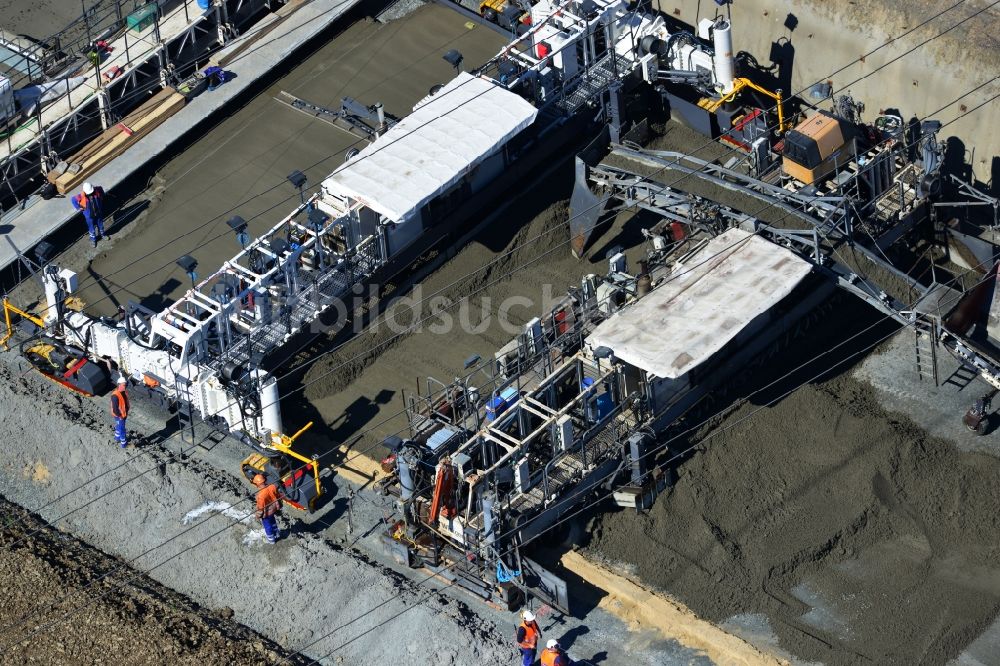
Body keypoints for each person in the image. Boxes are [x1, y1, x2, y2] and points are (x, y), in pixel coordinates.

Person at [71, 182, 106, 247]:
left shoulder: (97, 190)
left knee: (101, 225)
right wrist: (78, 208)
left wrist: (102, 197)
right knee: (91, 228)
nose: (90, 194)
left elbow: (101, 189)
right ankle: (93, 239)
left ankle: (103, 235)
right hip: (89, 216)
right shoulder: (81, 196)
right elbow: (73, 199)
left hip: (98, 213)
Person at [253, 474, 283, 544]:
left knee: (267, 526)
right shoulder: (272, 487)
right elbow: (278, 495)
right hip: (273, 509)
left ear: (257, 484)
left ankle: (271, 540)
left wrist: (257, 516)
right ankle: (277, 534)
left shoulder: (260, 496)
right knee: (273, 522)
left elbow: (260, 510)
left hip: (266, 513)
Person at [110, 375, 129, 448]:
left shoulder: (124, 392)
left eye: (126, 385)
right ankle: (124, 444)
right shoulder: (115, 395)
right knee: (122, 429)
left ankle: (117, 438)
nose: (125, 386)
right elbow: (115, 409)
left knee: (119, 426)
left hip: (123, 414)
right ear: (119, 385)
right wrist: (120, 416)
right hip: (119, 415)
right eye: (124, 385)